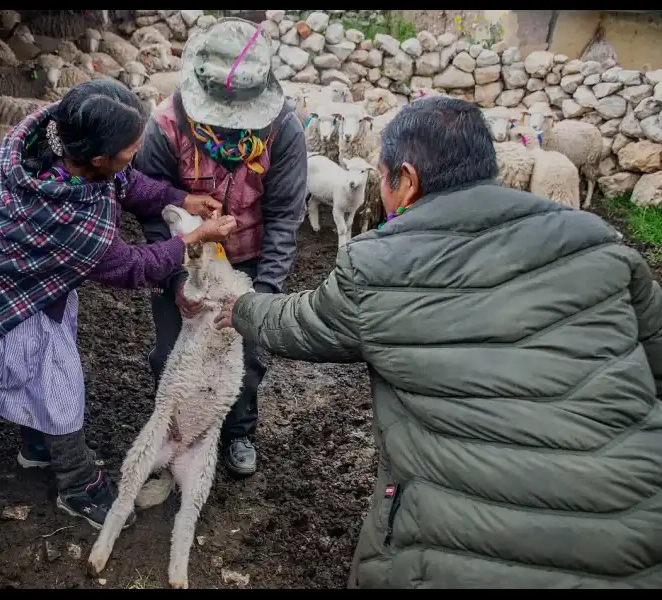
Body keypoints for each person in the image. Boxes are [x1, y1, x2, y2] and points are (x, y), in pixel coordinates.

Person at [214, 96, 662, 588]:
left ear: (404, 180)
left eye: (382, 178)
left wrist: (237, 305)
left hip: (452, 556)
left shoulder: (378, 264)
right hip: (637, 540)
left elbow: (299, 323)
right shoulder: (598, 244)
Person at [0, 79, 237, 531]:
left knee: (38, 368)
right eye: (129, 149)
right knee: (55, 381)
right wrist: (193, 239)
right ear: (98, 159)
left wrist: (178, 198)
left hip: (8, 261)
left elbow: (125, 181)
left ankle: (37, 447)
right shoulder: (69, 218)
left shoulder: (52, 131)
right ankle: (78, 486)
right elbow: (131, 266)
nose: (135, 152)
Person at [134, 17, 308, 478]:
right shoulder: (167, 125)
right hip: (182, 257)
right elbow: (152, 208)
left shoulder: (284, 130)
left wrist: (262, 291)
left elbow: (286, 214)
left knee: (244, 355)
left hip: (246, 259)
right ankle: (173, 433)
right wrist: (174, 279)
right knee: (173, 351)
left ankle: (237, 431)